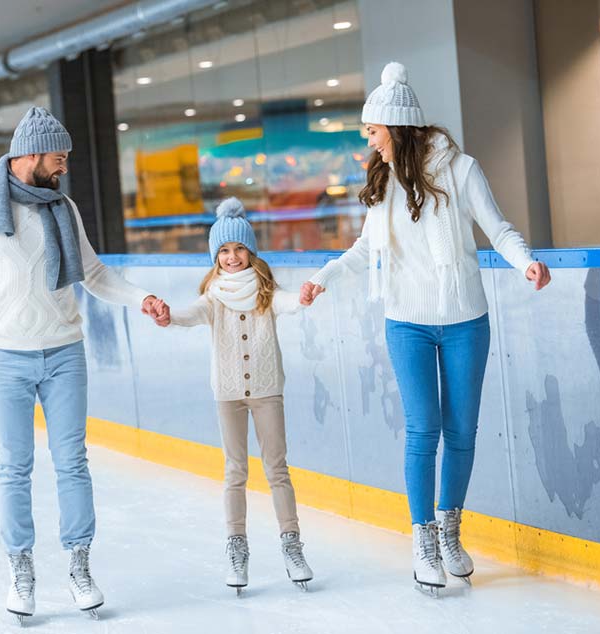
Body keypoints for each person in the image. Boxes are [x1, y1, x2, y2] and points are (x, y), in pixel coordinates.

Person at [300, 62, 551, 596]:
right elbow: (365, 249)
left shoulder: (461, 170)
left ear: (396, 127)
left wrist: (525, 262)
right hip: (406, 322)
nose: (368, 140)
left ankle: (452, 528)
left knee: (461, 432)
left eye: (372, 130)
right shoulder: (383, 180)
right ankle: (424, 540)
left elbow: (497, 228)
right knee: (423, 430)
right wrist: (323, 278)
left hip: (464, 321)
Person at [0, 106, 169, 623]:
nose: (64, 167)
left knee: (72, 461)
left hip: (63, 350)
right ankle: (21, 570)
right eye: (59, 158)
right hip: (5, 355)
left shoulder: (64, 207)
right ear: (31, 154)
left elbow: (94, 273)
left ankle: (80, 565)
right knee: (14, 466)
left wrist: (142, 297)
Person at [166, 197, 313, 595]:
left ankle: (291, 543)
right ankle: (236, 546)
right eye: (224, 251)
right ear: (216, 257)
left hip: (267, 390)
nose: (232, 257)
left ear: (251, 251)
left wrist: (302, 299)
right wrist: (167, 315)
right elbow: (190, 313)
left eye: (239, 249)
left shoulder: (267, 291)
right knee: (235, 472)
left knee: (277, 469)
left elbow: (286, 303)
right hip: (228, 392)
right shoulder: (213, 295)